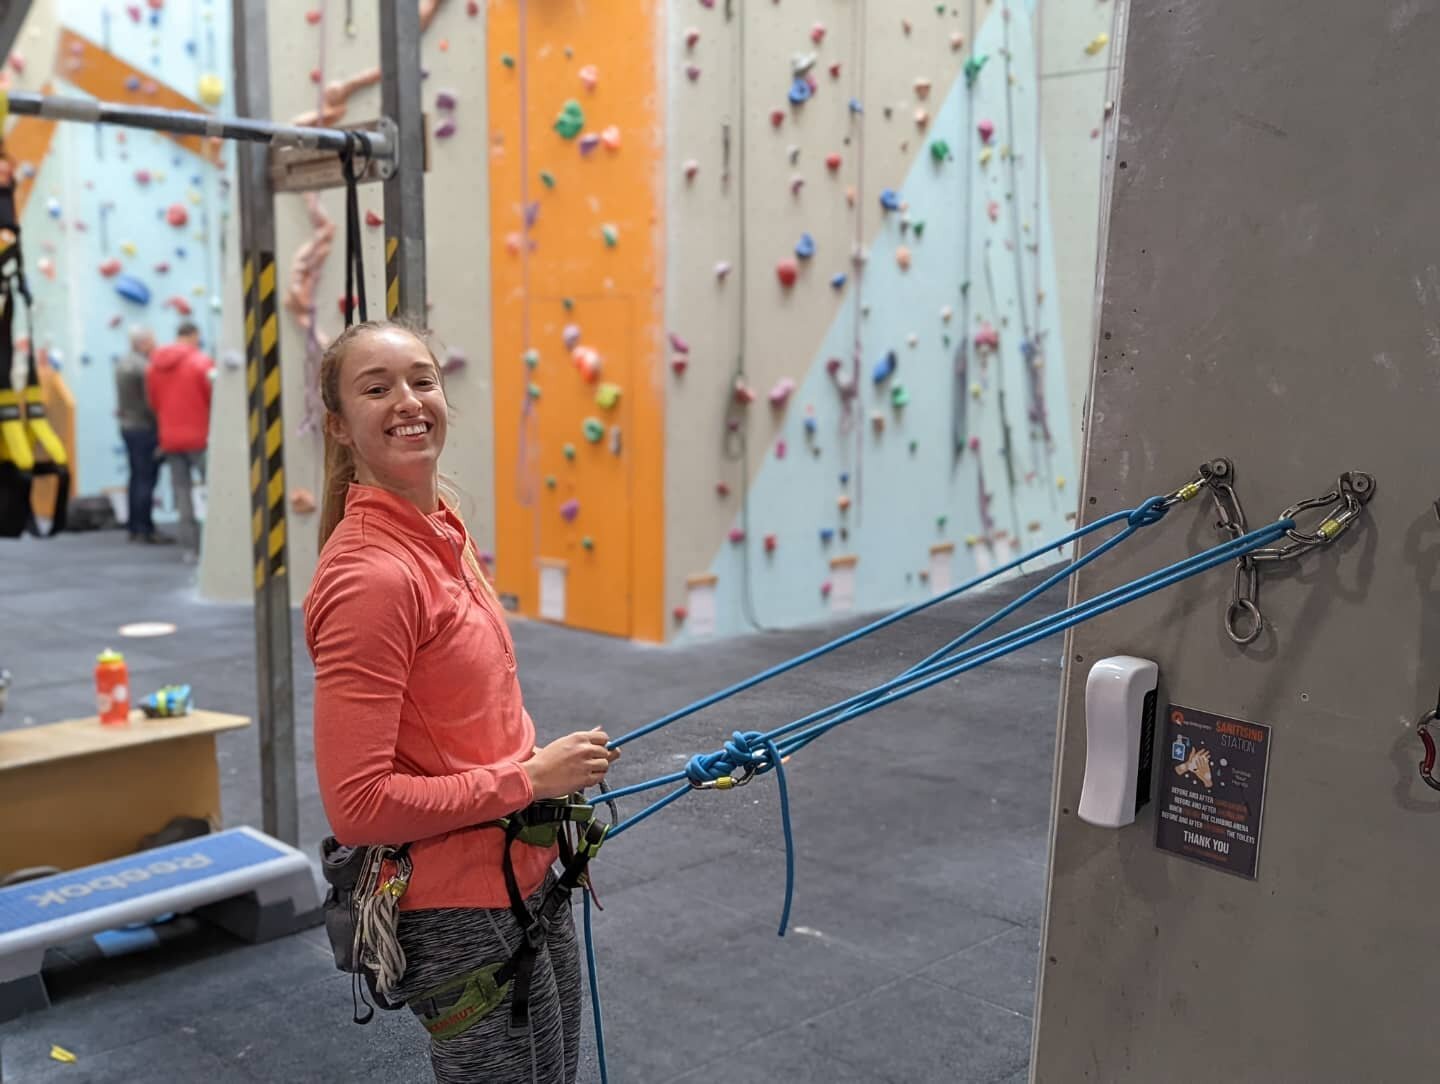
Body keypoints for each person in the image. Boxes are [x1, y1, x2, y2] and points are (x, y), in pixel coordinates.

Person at [303, 320, 619, 1083]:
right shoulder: (373, 579)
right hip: (456, 904)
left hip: (519, 868)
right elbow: (360, 806)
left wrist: (535, 779)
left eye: (422, 379)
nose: (408, 400)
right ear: (341, 426)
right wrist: (530, 782)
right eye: (376, 388)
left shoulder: (441, 528)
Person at [146, 320, 215, 559]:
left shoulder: (154, 367)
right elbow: (214, 403)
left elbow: (153, 403)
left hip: (170, 438)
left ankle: (190, 549)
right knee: (213, 492)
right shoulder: (202, 363)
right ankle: (214, 549)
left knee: (182, 493)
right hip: (201, 437)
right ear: (194, 336)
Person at [114, 326, 170, 544]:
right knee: (147, 479)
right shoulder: (145, 368)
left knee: (137, 477)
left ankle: (135, 527)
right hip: (144, 428)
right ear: (143, 343)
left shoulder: (123, 364)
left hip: (128, 426)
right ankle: (146, 529)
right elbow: (151, 402)